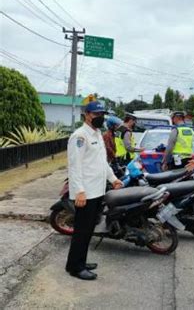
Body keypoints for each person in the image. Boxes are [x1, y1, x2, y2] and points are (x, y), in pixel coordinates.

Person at [65, 101, 123, 281]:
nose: (101, 117)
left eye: (102, 114)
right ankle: (76, 267)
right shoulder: (79, 136)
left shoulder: (97, 134)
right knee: (82, 231)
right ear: (87, 115)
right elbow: (74, 166)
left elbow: (102, 163)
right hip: (86, 193)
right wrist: (79, 191)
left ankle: (76, 262)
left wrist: (113, 179)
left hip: (97, 191)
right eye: (97, 114)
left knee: (89, 229)